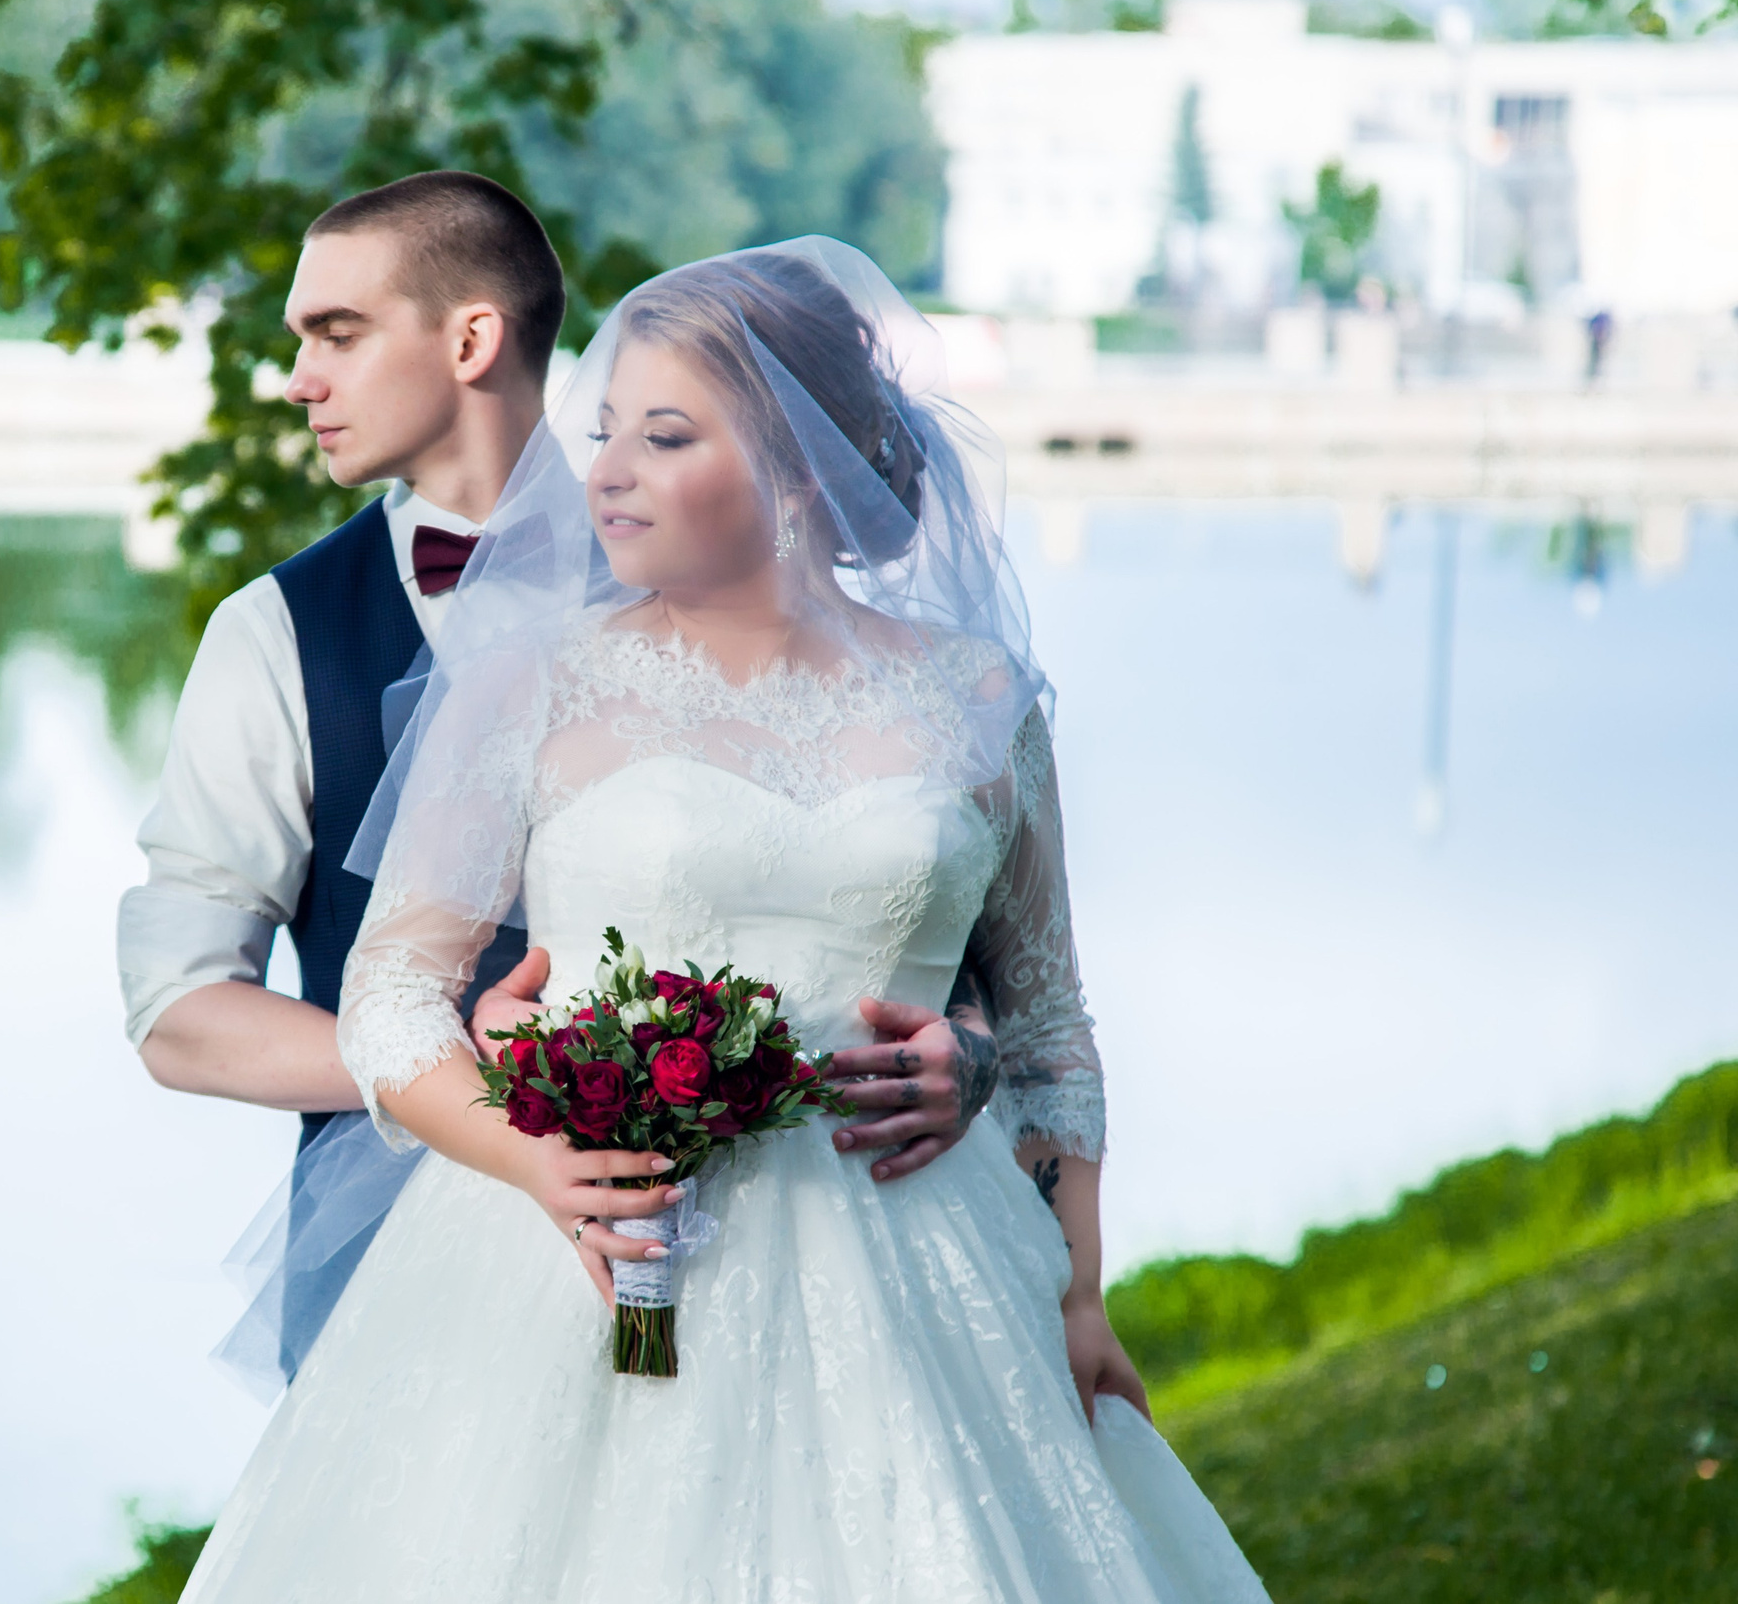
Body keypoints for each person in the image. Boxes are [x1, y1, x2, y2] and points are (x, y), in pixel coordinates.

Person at [176, 240, 1271, 1601]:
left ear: (802, 470)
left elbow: (1048, 1022)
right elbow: (397, 992)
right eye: (607, 431)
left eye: (667, 433)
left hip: (922, 1266)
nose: (609, 471)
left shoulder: (980, 698)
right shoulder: (532, 684)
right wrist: (536, 1162)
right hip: (582, 1254)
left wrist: (1081, 1288)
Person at [118, 173, 1008, 1391]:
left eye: (336, 333)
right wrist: (507, 1090)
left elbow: (946, 933)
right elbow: (177, 1012)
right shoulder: (275, 634)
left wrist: (969, 1054)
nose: (297, 379)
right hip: (401, 1281)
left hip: (821, 1262)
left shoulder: (727, 550)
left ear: (471, 337)